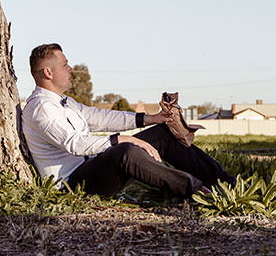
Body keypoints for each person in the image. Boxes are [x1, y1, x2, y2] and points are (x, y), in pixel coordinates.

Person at [21, 43, 235, 199]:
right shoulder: (41, 108)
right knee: (126, 152)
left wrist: (152, 118)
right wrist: (123, 140)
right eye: (65, 65)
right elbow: (75, 144)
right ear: (48, 72)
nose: (70, 69)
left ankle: (226, 185)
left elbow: (100, 117)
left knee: (162, 133)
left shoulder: (64, 102)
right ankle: (198, 192)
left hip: (94, 165)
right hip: (74, 184)